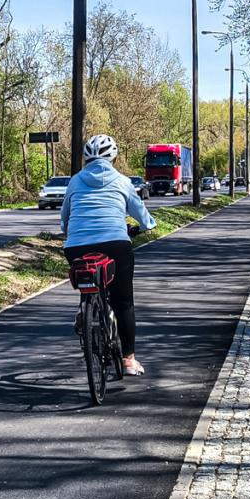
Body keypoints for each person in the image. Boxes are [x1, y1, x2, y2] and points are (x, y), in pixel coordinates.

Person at [61, 134, 158, 376]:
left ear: (86, 159)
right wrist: (147, 225)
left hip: (76, 246)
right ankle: (128, 360)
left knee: (88, 278)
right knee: (123, 301)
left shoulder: (74, 181)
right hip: (115, 244)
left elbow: (65, 218)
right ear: (113, 157)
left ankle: (86, 309)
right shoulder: (122, 181)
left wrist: (70, 231)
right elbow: (142, 215)